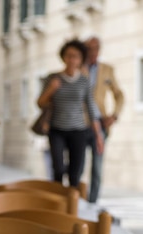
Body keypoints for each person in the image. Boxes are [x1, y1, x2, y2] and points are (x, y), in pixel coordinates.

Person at [37, 39, 104, 188]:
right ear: (63, 57)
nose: (72, 59)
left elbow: (91, 108)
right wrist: (51, 89)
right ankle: (57, 203)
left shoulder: (84, 81)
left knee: (75, 174)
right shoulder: (53, 78)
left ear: (81, 60)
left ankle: (71, 207)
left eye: (76, 56)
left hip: (78, 130)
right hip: (57, 130)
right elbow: (40, 103)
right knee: (58, 170)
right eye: (69, 55)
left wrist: (98, 135)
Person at [83, 36, 124, 203]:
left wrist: (114, 115)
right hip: (79, 122)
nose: (93, 52)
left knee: (97, 168)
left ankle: (92, 202)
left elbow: (119, 95)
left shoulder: (107, 70)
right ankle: (76, 201)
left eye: (96, 48)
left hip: (100, 124)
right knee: (76, 166)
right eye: (90, 48)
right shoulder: (78, 67)